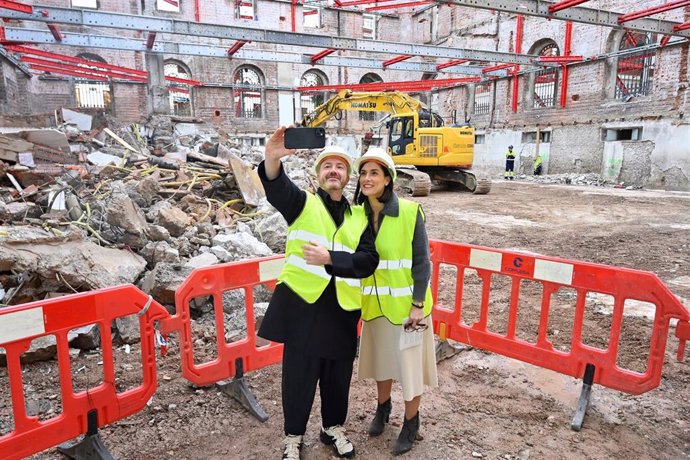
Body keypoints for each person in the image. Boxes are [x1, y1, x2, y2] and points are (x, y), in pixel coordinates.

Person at [257, 127, 379, 460]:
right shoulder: (303, 204)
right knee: (299, 376)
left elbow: (368, 260)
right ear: (319, 175)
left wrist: (331, 259)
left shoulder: (359, 219)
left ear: (347, 177)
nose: (334, 171)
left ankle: (332, 427)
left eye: (340, 167)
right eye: (328, 166)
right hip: (304, 307)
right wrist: (272, 158)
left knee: (337, 376)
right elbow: (277, 188)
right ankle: (293, 436)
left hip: (342, 310)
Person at [353, 147, 438, 456]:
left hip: (406, 309)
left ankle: (411, 423)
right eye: (363, 172)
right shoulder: (357, 215)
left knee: (409, 370)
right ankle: (382, 409)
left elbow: (422, 263)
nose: (367, 178)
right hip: (374, 307)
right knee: (382, 364)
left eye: (374, 172)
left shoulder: (409, 213)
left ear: (387, 179)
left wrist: (417, 304)